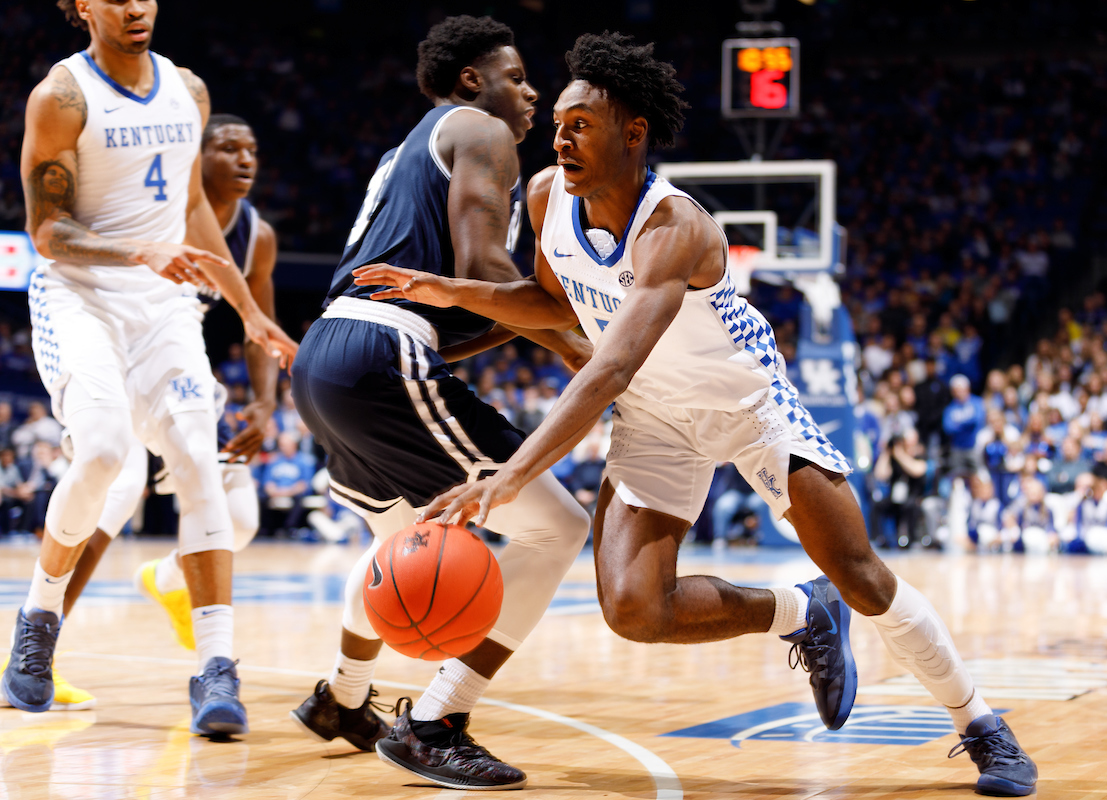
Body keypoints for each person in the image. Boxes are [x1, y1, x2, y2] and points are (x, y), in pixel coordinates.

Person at [360, 31, 1037, 797]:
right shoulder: (549, 196)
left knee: (859, 573)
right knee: (633, 608)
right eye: (557, 123)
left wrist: (512, 474)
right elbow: (550, 303)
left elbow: (611, 363)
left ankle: (983, 727)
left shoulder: (675, 227)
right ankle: (797, 613)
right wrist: (450, 291)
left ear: (632, 132)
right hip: (657, 420)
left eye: (580, 124)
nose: (559, 137)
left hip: (748, 406)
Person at [288, 16, 592, 790]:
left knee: (403, 542)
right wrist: (582, 331)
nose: (531, 93)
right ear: (472, 81)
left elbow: (467, 313)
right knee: (557, 528)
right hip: (381, 348)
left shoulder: (411, 148)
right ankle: (435, 722)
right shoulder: (480, 129)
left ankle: (341, 699)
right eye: (518, 77)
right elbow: (484, 266)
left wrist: (562, 339)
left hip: (334, 351)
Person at [11, 0, 295, 736]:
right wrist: (136, 251)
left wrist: (248, 311)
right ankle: (38, 620)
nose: (136, 5)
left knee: (199, 460)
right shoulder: (63, 96)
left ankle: (216, 669)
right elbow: (47, 232)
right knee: (104, 450)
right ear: (83, 6)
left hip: (166, 304)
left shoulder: (188, 90)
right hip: (81, 295)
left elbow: (196, 206)